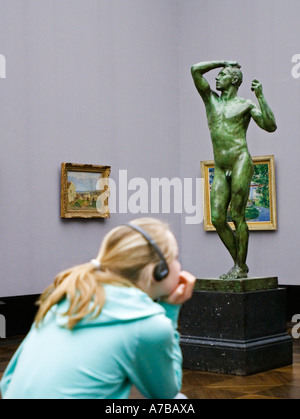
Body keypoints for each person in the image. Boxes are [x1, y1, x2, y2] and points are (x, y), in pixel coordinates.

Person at [0, 218, 196, 399]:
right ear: (158, 270)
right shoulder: (147, 325)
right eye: (175, 258)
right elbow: (167, 393)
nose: (179, 265)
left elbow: (8, 382)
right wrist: (171, 308)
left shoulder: (67, 299)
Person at [191, 60, 277, 279]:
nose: (217, 78)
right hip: (220, 166)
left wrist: (260, 96)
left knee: (237, 215)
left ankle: (240, 267)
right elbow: (195, 70)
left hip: (240, 160)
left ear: (234, 80)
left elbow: (270, 126)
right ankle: (239, 264)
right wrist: (222, 62)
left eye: (223, 74)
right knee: (218, 218)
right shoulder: (210, 100)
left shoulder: (245, 105)